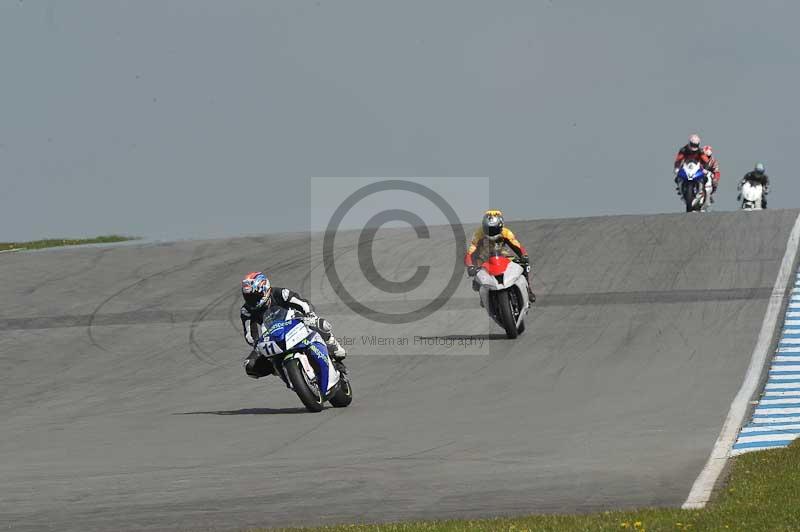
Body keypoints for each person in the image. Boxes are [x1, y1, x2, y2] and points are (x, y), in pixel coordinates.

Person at [240, 271, 346, 379]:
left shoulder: (280, 293)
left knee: (320, 325)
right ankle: (282, 370)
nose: (252, 300)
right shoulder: (246, 310)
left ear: (265, 289)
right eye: (248, 297)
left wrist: (310, 316)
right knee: (250, 366)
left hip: (295, 322)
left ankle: (334, 351)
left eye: (255, 296)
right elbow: (250, 334)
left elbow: (302, 304)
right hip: (272, 335)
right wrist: (256, 343)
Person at [464, 210, 535, 303]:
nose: (491, 232)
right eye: (488, 229)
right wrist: (470, 266)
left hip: (502, 256)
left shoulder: (506, 233)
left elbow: (517, 246)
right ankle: (483, 296)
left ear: (501, 226)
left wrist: (524, 256)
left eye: (494, 229)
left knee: (522, 266)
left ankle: (528, 289)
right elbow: (471, 252)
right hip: (485, 259)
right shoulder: (478, 234)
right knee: (476, 280)